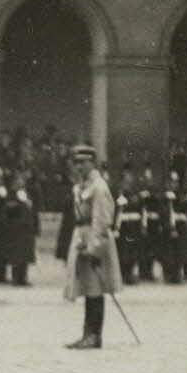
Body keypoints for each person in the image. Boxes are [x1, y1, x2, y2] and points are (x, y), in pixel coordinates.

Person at [56, 144, 120, 350]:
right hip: (81, 238)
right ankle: (87, 333)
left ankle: (94, 335)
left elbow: (102, 221)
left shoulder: (99, 188)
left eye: (83, 162)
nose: (79, 167)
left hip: (94, 240)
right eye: (76, 163)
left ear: (93, 163)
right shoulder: (81, 187)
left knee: (95, 288)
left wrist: (94, 249)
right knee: (87, 286)